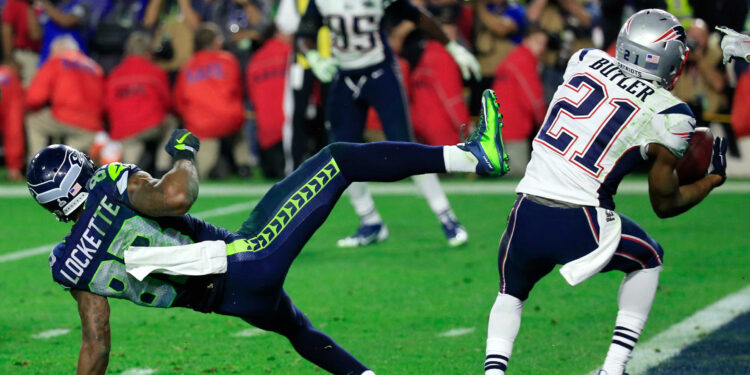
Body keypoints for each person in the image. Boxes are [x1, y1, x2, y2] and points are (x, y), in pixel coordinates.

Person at [26, 90, 509, 375]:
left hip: (227, 301)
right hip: (246, 258)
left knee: (298, 330)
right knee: (339, 158)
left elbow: (97, 343)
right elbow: (177, 197)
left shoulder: (71, 264)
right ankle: (471, 155)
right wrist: (185, 154)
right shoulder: (110, 185)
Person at [482, 10, 728, 375]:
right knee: (649, 258)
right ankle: (613, 370)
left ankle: (493, 371)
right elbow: (665, 204)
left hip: (524, 211)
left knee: (511, 294)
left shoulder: (584, 59)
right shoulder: (671, 114)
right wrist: (710, 180)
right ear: (669, 60)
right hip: (581, 219)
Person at [297, 0, 481, 248]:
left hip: (380, 73)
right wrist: (312, 56)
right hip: (345, 77)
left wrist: (452, 47)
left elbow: (417, 17)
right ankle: (370, 221)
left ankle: (446, 216)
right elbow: (304, 34)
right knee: (340, 154)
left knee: (405, 146)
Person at [173, 22, 249, 179]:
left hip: (202, 125)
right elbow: (238, 90)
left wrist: (190, 118)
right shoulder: (229, 60)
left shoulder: (187, 66)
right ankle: (244, 165)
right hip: (229, 118)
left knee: (203, 172)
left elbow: (179, 102)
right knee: (238, 128)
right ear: (215, 41)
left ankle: (208, 170)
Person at [25, 35, 104, 160]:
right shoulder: (95, 67)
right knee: (70, 160)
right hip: (91, 127)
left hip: (64, 118)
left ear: (57, 49)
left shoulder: (57, 61)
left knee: (33, 121)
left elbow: (34, 98)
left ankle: (36, 166)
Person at [105, 31, 174, 168]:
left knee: (131, 154)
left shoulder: (114, 74)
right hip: (150, 125)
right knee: (172, 121)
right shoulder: (156, 71)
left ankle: (131, 169)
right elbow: (167, 103)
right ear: (148, 52)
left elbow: (107, 105)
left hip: (122, 129)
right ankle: (162, 167)